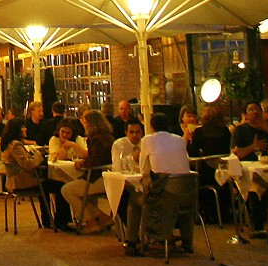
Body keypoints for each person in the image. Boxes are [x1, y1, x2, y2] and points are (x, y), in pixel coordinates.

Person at [124, 112, 194, 257]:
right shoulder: (180, 140)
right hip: (187, 197)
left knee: (133, 201)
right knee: (177, 197)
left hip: (163, 198)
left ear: (151, 126)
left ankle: (132, 241)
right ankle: (187, 241)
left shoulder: (148, 140)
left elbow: (143, 168)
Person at [62, 110, 114, 233]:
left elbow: (94, 162)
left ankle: (90, 221)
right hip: (108, 175)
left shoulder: (95, 139)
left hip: (96, 177)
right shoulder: (109, 136)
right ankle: (102, 217)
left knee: (67, 190)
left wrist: (82, 164)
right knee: (81, 194)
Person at [1, 115, 52, 226]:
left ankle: (48, 219)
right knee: (55, 185)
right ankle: (53, 220)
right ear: (17, 130)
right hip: (21, 181)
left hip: (15, 180)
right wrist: (38, 154)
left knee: (48, 185)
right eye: (23, 127)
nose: (25, 129)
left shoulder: (10, 144)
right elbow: (28, 164)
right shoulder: (16, 145)